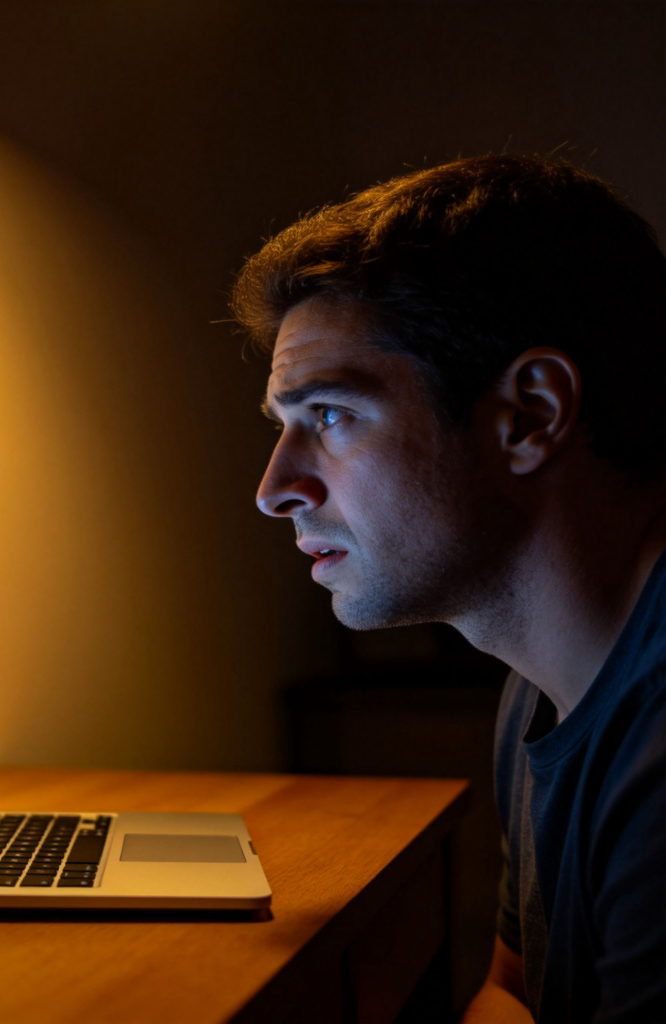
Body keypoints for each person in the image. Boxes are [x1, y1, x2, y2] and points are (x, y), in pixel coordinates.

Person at [230, 154, 666, 1023]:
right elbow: (512, 992)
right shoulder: (540, 683)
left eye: (331, 415)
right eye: (286, 425)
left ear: (530, 413)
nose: (274, 489)